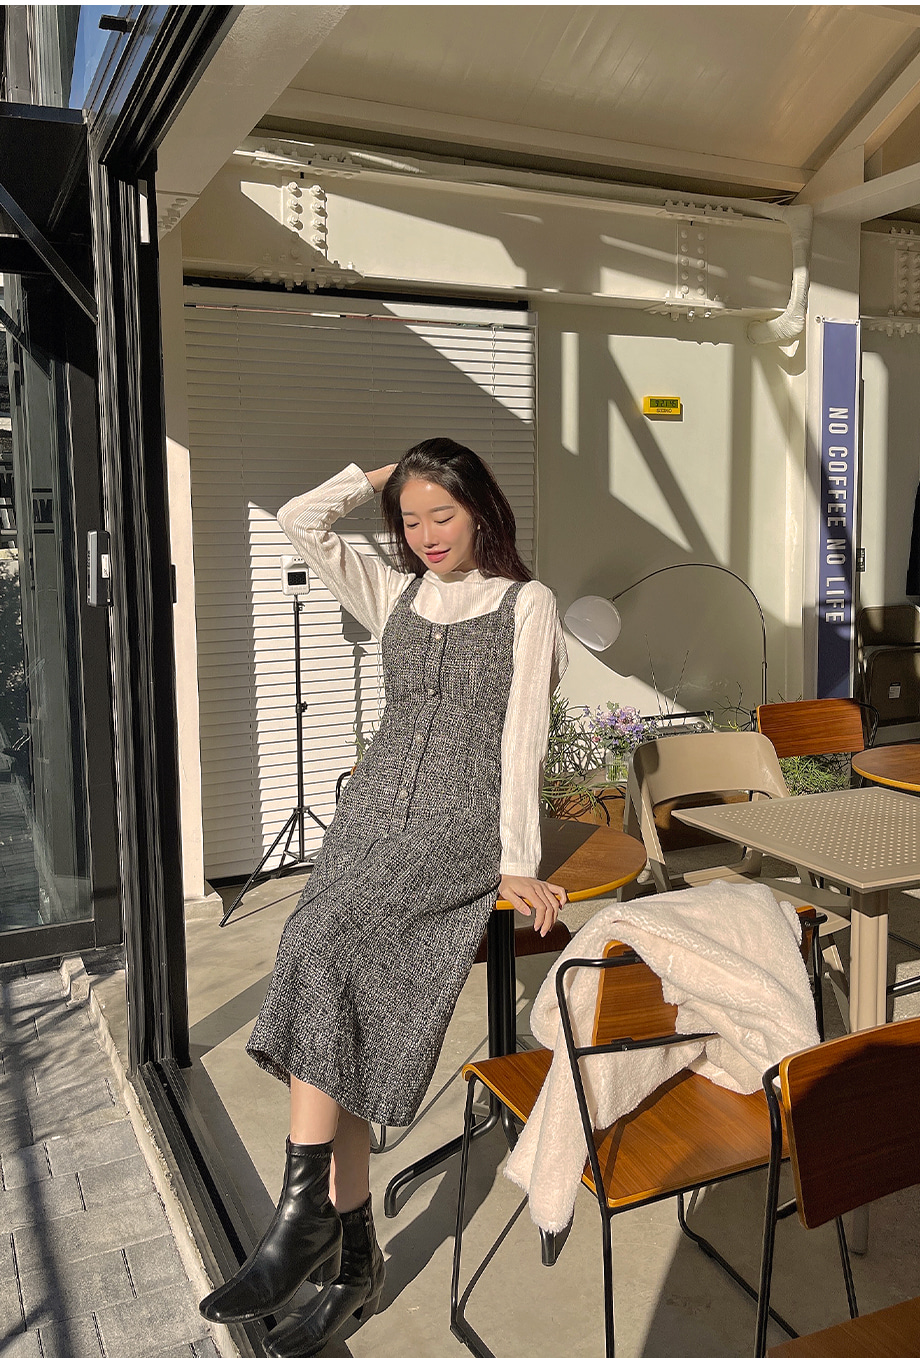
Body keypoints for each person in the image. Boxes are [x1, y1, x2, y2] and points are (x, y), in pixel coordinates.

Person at [199, 437, 568, 1358]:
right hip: (370, 819)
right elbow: (300, 520)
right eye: (410, 518)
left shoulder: (526, 603)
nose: (427, 533)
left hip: (457, 827)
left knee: (320, 943)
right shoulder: (393, 590)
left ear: (480, 510)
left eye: (443, 513)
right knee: (334, 979)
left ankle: (305, 1221)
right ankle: (348, 1249)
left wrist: (516, 858)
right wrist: (376, 477)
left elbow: (524, 736)